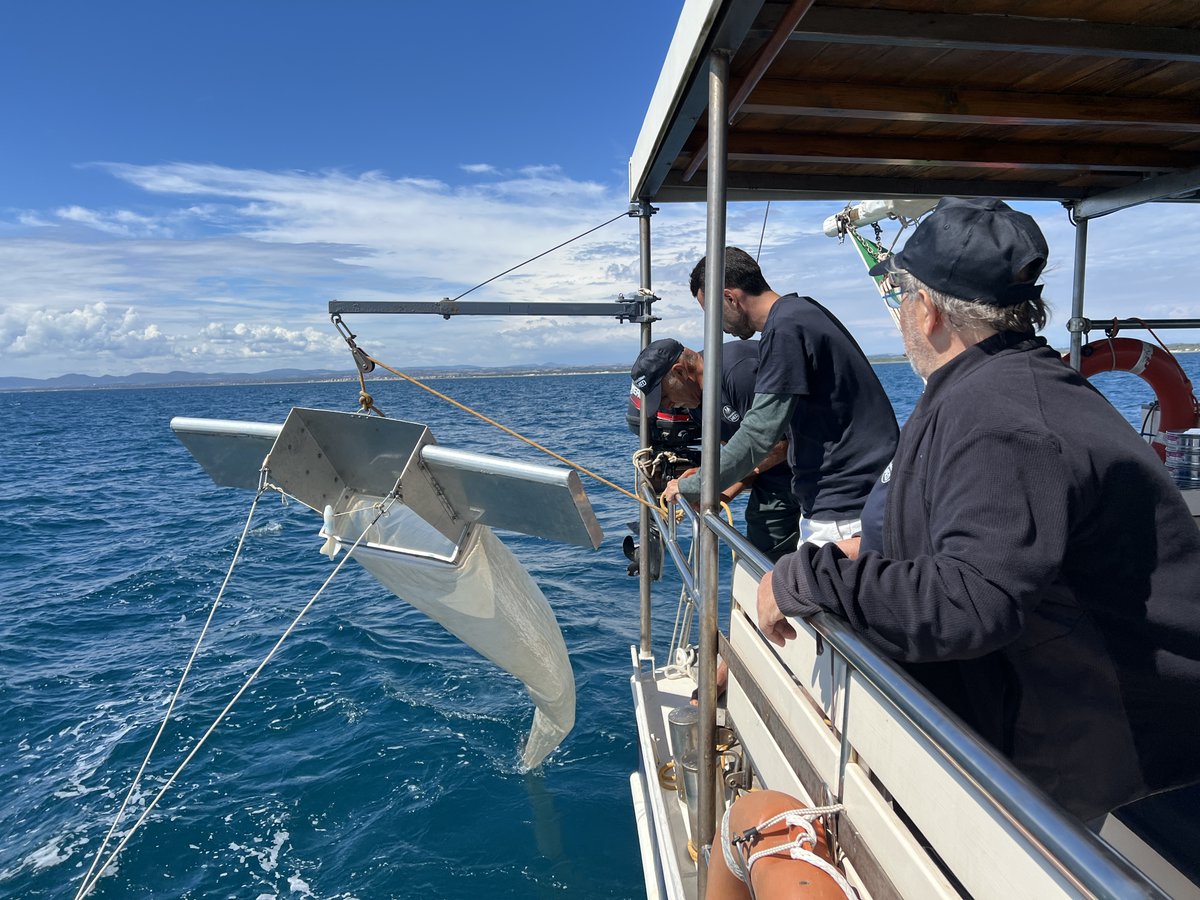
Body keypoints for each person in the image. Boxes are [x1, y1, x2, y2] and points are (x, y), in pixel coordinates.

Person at [757, 197, 1200, 823]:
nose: (901, 312)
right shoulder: (995, 387)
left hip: (1084, 744)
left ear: (930, 309)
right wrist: (869, 549)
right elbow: (974, 530)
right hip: (1043, 715)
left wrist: (805, 577)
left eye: (902, 293)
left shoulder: (1004, 417)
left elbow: (972, 601)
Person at [665, 248, 898, 547]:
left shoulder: (785, 330)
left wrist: (694, 487)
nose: (717, 327)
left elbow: (759, 434)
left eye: (713, 314)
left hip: (846, 503)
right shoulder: (801, 311)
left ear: (730, 298)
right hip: (859, 493)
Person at [631, 337, 800, 561]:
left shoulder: (739, 373)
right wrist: (720, 494)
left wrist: (705, 480)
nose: (667, 406)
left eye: (664, 396)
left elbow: (777, 445)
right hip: (775, 480)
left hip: (814, 470)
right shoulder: (696, 405)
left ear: (680, 372)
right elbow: (739, 456)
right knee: (761, 557)